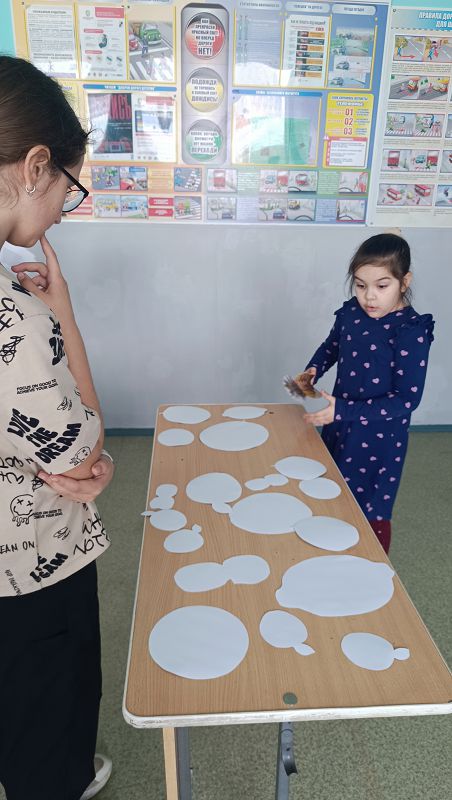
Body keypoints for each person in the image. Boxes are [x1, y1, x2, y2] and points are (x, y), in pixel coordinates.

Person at [0, 56, 114, 799]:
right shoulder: (14, 319)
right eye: (69, 187)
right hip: (27, 564)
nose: (64, 211)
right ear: (35, 166)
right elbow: (82, 450)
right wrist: (63, 312)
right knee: (46, 707)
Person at [297, 233, 434, 554]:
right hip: (340, 423)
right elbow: (332, 346)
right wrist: (312, 370)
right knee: (332, 489)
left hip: (380, 439)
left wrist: (342, 410)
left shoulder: (410, 332)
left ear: (404, 282)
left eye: (381, 286)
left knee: (371, 508)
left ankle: (373, 565)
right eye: (360, 285)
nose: (369, 296)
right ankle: (329, 552)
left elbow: (406, 400)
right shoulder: (352, 314)